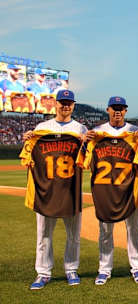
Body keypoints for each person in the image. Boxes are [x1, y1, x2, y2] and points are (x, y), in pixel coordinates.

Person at [22, 90, 87, 289]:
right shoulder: (42, 128)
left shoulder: (81, 129)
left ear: (73, 105)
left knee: (73, 234)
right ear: (56, 104)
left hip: (70, 189)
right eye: (62, 103)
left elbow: (87, 158)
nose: (65, 106)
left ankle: (71, 269)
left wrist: (86, 144)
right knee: (43, 234)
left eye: (69, 103)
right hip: (46, 189)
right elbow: (30, 159)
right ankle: (43, 273)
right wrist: (28, 140)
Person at [85, 96, 138, 285]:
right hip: (104, 189)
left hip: (128, 189)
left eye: (121, 108)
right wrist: (86, 141)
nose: (117, 111)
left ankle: (137, 268)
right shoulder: (96, 133)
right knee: (105, 230)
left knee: (134, 229)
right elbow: (85, 161)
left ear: (126, 110)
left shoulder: (135, 132)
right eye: (114, 108)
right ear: (108, 110)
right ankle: (104, 269)